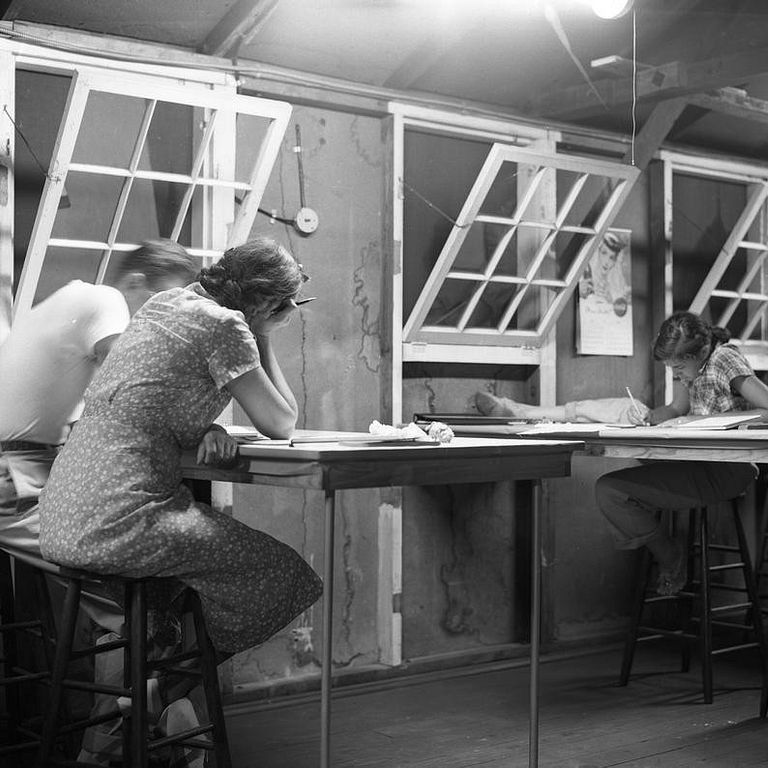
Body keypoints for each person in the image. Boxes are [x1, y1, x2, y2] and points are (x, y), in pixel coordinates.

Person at [38, 235, 323, 660]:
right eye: (285, 304)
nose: (289, 313)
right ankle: (165, 696)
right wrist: (262, 335)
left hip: (63, 515)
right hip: (120, 523)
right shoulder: (226, 326)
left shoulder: (165, 302)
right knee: (285, 573)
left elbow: (152, 397)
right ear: (264, 303)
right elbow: (281, 422)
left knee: (186, 580)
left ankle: (152, 677)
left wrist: (208, 426)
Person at [0, 238, 198, 565]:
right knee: (138, 556)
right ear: (135, 283)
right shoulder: (104, 299)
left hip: (24, 472)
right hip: (15, 477)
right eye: (163, 303)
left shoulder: (74, 304)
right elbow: (130, 387)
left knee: (145, 541)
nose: (167, 318)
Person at [595, 311, 768, 595]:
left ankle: (670, 556)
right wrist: (651, 416)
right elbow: (676, 409)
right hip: (695, 460)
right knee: (611, 490)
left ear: (700, 351)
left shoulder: (724, 359)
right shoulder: (692, 365)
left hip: (728, 467)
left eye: (678, 368)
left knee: (611, 491)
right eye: (671, 368)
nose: (675, 374)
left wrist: (697, 421)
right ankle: (667, 548)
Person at [475, 391, 648, 425]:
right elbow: (668, 410)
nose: (676, 374)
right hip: (655, 423)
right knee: (625, 406)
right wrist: (644, 413)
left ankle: (522, 413)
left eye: (677, 368)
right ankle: (523, 412)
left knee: (617, 412)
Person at [579, 232, 631, 314]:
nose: (607, 262)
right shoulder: (584, 274)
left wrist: (611, 300)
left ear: (615, 261)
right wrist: (579, 292)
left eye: (611, 258)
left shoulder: (617, 284)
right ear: (597, 253)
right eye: (604, 253)